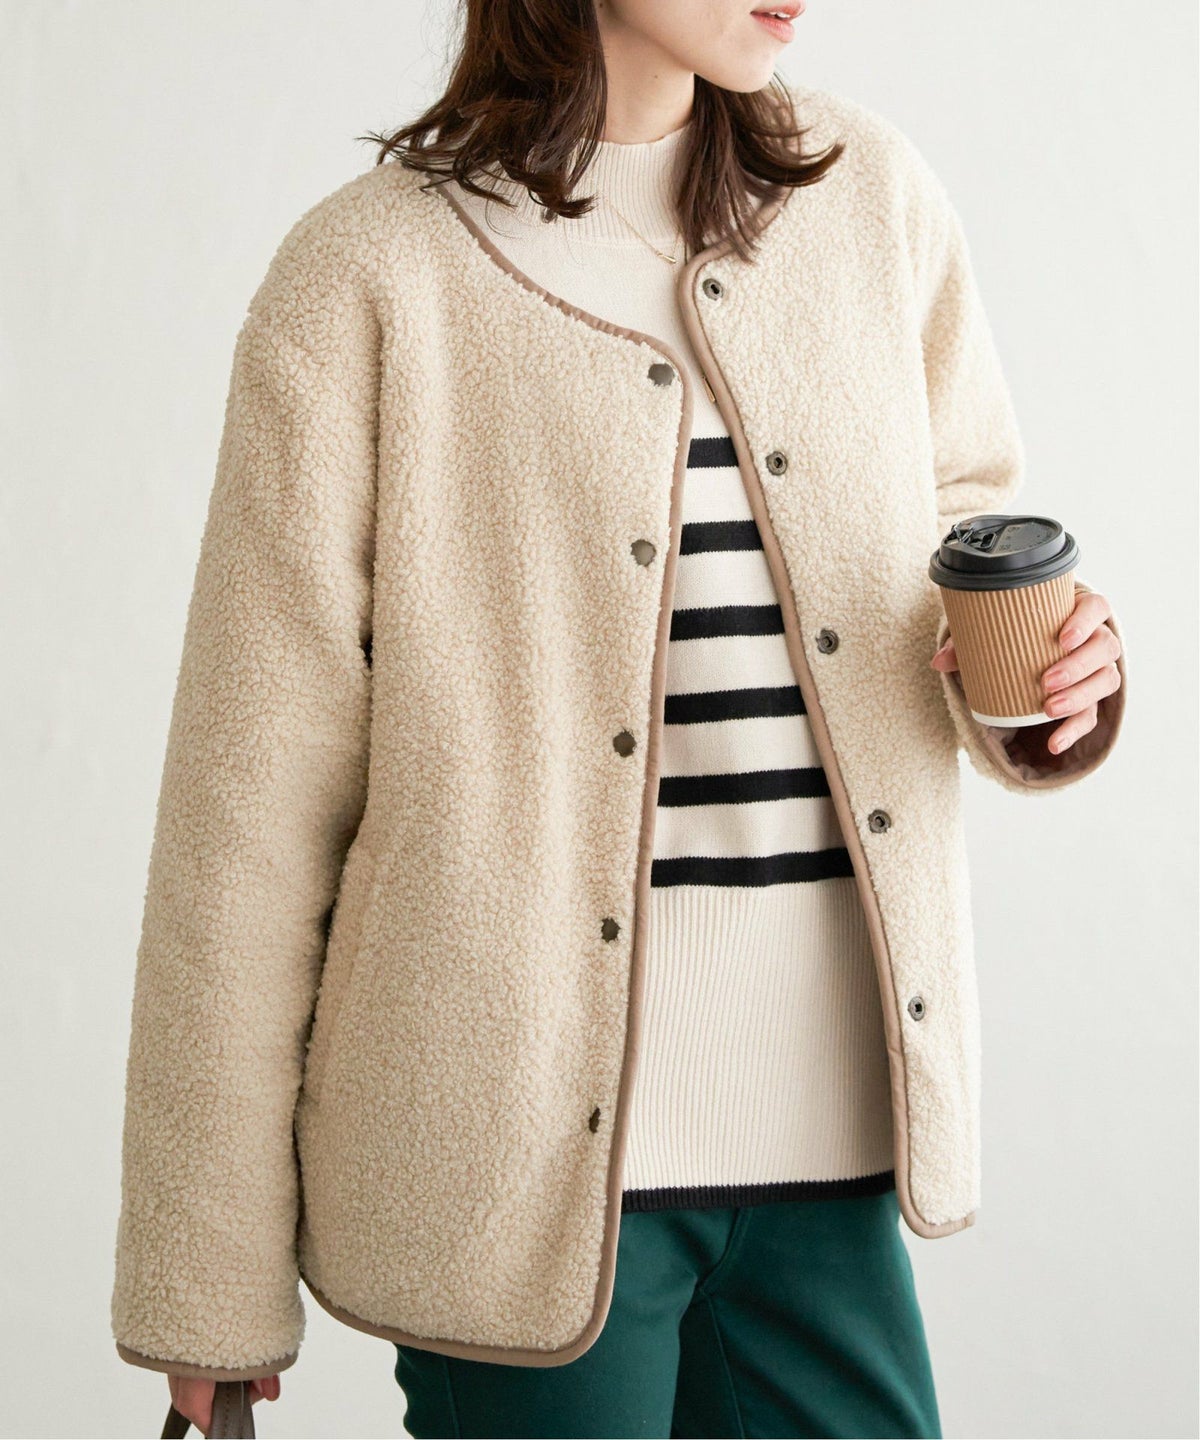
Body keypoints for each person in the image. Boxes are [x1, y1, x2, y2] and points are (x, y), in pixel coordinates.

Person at [112, 1, 1127, 1436]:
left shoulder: (873, 202)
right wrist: (204, 1272)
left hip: (837, 1136)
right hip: (505, 1182)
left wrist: (1046, 685)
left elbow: (958, 533)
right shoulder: (368, 275)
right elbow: (248, 810)